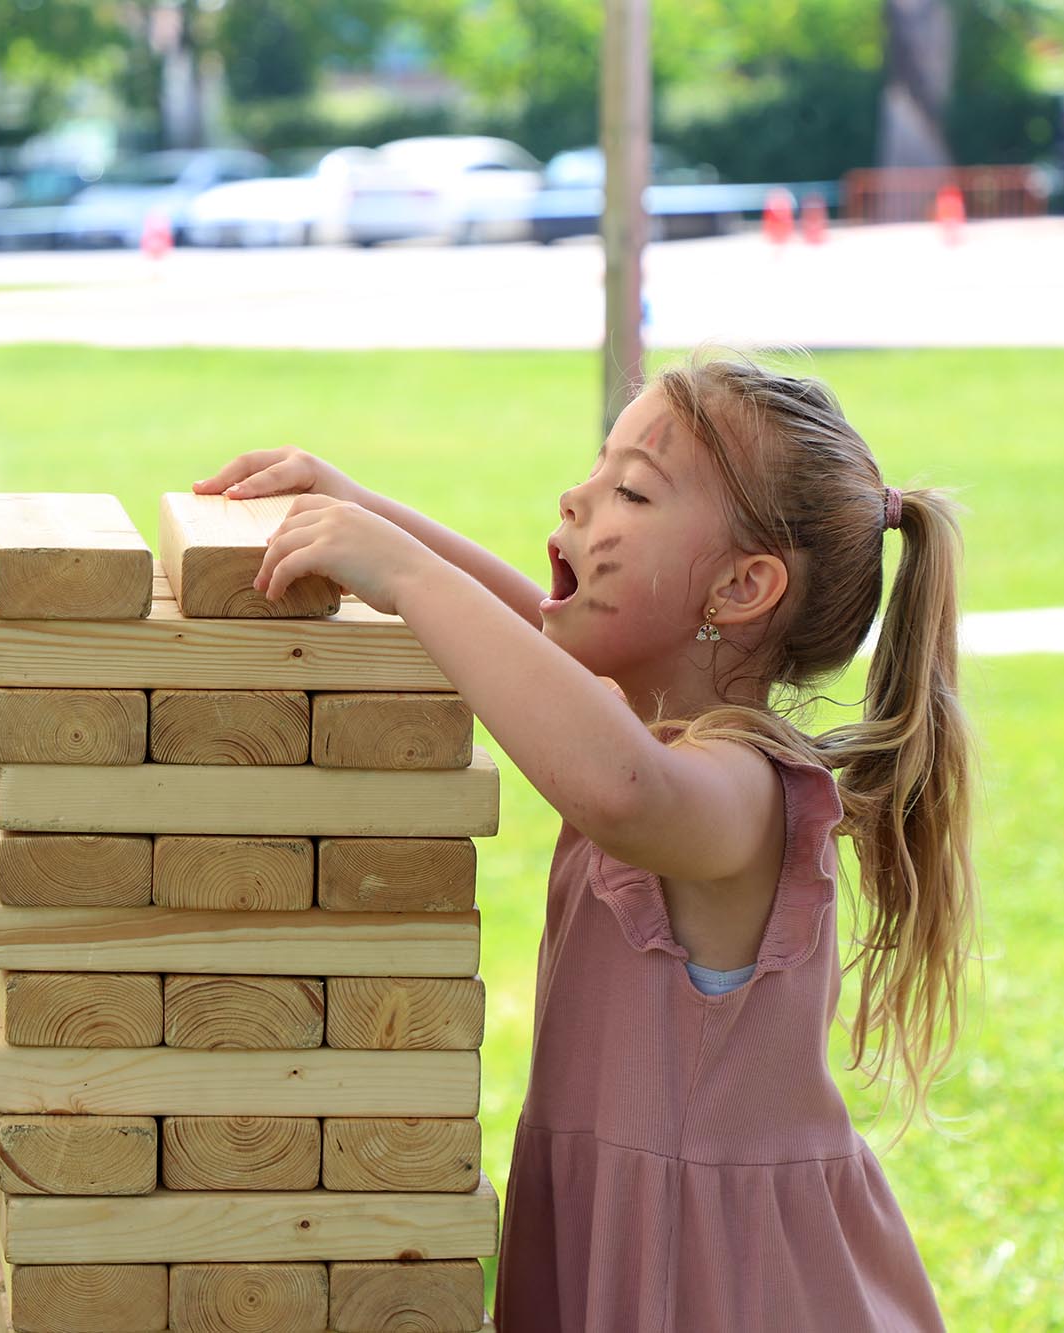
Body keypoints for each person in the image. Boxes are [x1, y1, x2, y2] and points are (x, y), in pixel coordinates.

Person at [197, 352, 970, 1330]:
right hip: (624, 1243)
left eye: (630, 491)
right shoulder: (649, 729)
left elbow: (617, 787)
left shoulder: (740, 791)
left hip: (726, 1286)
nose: (576, 496)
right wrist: (369, 510)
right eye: (596, 469)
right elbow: (530, 639)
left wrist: (400, 569)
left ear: (740, 587)